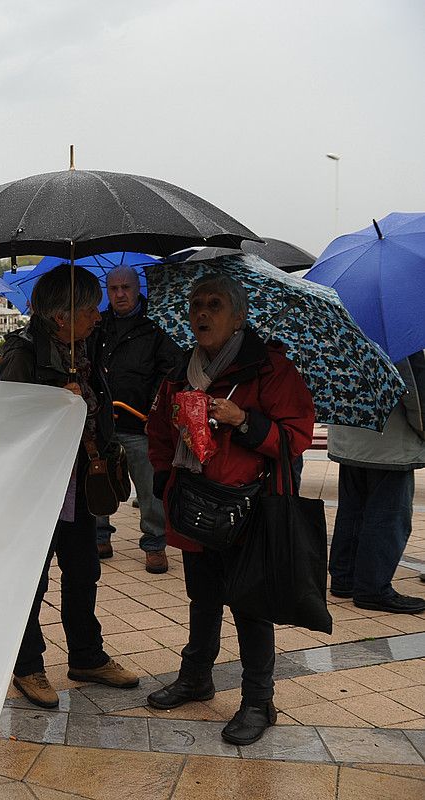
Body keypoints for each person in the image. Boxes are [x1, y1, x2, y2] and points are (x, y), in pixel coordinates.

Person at [146, 274, 313, 746]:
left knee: (249, 605)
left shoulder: (270, 370)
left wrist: (244, 421)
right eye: (196, 303)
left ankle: (259, 701)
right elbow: (160, 428)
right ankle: (196, 676)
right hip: (195, 504)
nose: (201, 312)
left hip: (249, 509)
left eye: (214, 304)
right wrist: (164, 476)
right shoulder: (181, 370)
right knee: (202, 597)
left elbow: (294, 439)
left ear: (238, 316)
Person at [0, 264, 140, 709]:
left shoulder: (82, 347)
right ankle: (27, 664)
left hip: (81, 480)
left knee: (83, 571)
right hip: (38, 487)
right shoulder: (22, 354)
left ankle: (87, 656)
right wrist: (56, 400)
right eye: (89, 309)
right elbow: (3, 424)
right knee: (32, 581)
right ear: (62, 316)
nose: (98, 316)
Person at [91, 266, 183, 572]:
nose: (119, 294)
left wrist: (154, 414)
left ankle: (155, 543)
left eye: (125, 288)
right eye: (113, 288)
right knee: (98, 478)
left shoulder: (156, 326)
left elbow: (168, 373)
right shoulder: (97, 325)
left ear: (136, 288)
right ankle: (100, 534)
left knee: (148, 487)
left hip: (140, 421)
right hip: (103, 421)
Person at [328, 350, 425, 613]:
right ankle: (373, 588)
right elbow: (413, 390)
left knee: (352, 511)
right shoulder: (399, 337)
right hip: (390, 441)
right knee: (388, 517)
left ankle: (344, 579)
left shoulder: (341, 327)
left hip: (349, 437)